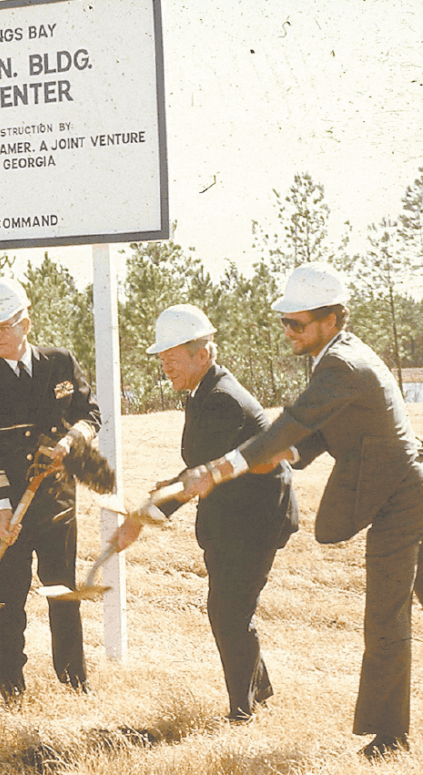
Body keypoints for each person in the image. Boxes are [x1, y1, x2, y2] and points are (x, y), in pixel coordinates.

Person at [178, 263, 423, 760]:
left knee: (385, 617)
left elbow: (292, 423)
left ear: (332, 320)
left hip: (403, 497)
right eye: (285, 322)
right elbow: (315, 434)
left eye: (298, 323)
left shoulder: (340, 366)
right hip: (402, 489)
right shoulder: (339, 356)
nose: (288, 331)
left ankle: (391, 738)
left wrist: (222, 468)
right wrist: (286, 455)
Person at [114, 304, 298, 723]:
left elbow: (199, 475)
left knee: (230, 611)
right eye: (161, 360)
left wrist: (139, 519)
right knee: (228, 609)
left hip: (255, 519)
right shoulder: (203, 392)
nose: (165, 368)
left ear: (203, 352)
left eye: (171, 359)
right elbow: (200, 464)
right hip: (232, 515)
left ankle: (242, 714)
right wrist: (169, 484)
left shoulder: (220, 399)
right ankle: (257, 691)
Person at [0, 277, 101, 701]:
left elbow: (90, 415)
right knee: (6, 598)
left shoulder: (60, 363)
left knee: (62, 592)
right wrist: (2, 507)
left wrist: (71, 441)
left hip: (56, 502)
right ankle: (11, 689)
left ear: (26, 323)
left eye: (4, 325)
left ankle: (74, 681)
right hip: (7, 508)